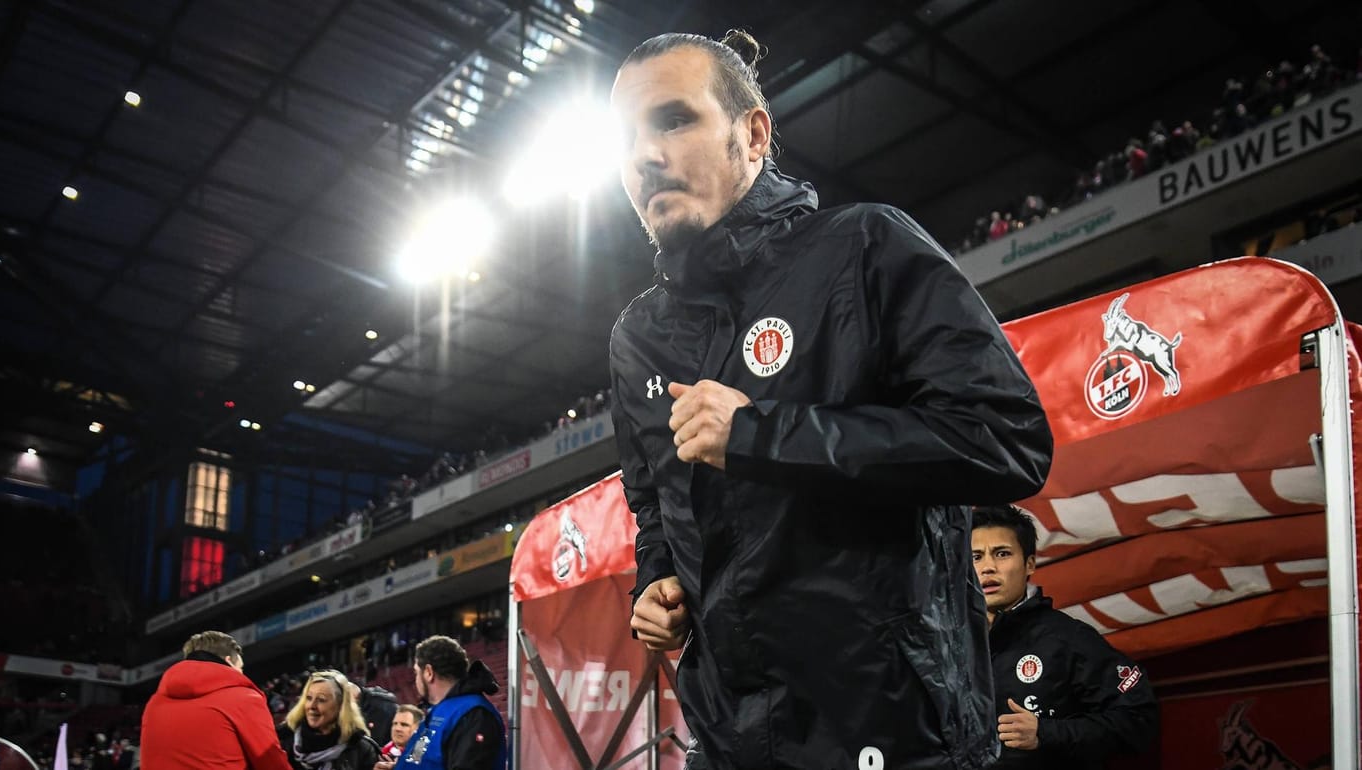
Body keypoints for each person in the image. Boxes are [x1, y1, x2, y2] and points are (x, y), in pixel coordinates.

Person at [608, 29, 1052, 770]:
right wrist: (655, 579)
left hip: (894, 733)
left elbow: (1005, 439)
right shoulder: (637, 337)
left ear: (753, 135)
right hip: (728, 738)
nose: (645, 155)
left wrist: (762, 435)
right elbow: (653, 501)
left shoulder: (865, 247)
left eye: (675, 120)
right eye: (625, 140)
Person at [971, 505, 1159, 768]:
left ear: (1029, 564)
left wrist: (1046, 733)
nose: (988, 567)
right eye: (976, 557)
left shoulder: (1069, 638)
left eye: (1002, 553)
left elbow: (1139, 719)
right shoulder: (947, 645)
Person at [140, 631, 290, 770]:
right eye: (241, 668)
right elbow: (271, 762)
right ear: (229, 661)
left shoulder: (154, 703)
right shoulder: (243, 698)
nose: (242, 674)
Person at [388, 635, 505, 770]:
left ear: (428, 673)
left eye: (416, 673)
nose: (415, 680)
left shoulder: (474, 715)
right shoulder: (436, 712)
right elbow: (417, 759)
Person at [276, 670, 382, 770]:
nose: (312, 706)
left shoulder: (362, 750)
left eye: (321, 700)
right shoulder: (283, 740)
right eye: (309, 698)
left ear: (340, 705)